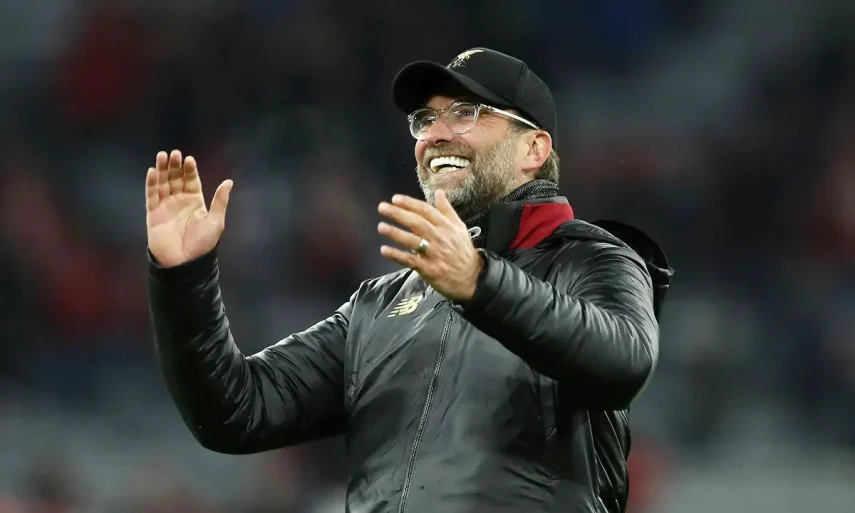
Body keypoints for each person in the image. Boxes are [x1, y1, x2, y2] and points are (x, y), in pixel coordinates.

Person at [145, 47, 674, 513]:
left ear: (534, 149)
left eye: (466, 113)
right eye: (425, 119)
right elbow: (236, 410)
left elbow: (625, 360)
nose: (436, 134)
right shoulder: (382, 304)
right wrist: (185, 279)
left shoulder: (592, 258)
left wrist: (481, 282)